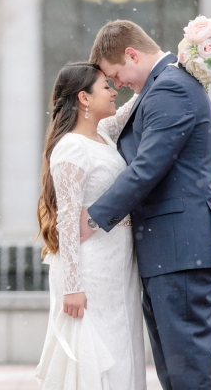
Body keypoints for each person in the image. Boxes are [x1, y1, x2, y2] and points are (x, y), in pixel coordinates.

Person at [85, 20, 211, 390]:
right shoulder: (164, 85)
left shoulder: (170, 87)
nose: (118, 84)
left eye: (115, 74)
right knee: (175, 370)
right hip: (171, 248)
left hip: (179, 248)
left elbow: (147, 168)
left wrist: (92, 218)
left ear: (132, 54)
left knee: (188, 370)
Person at [35, 62, 145, 390]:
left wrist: (182, 59)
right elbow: (68, 220)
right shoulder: (71, 147)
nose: (114, 92)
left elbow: (137, 99)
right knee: (96, 357)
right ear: (83, 98)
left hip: (118, 263)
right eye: (106, 87)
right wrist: (73, 287)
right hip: (89, 268)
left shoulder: (105, 134)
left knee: (123, 347)